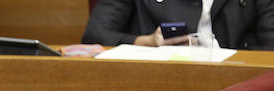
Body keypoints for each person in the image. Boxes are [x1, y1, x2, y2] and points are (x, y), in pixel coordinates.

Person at [82, 0, 274, 49]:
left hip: (234, 88)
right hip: (159, 83)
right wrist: (146, 41)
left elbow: (270, 44)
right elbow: (95, 34)